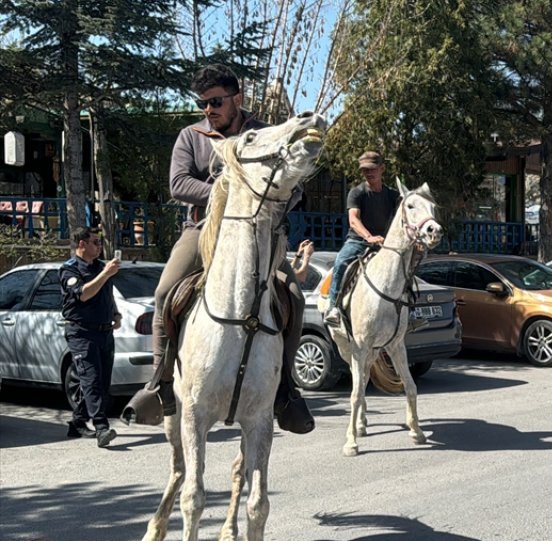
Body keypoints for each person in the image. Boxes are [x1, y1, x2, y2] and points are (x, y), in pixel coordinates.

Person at [121, 64, 313, 434]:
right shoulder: (190, 136)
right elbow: (178, 184)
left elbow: (296, 186)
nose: (208, 110)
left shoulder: (264, 134)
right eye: (203, 103)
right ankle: (159, 384)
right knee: (163, 293)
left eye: (215, 102)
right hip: (204, 227)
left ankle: (286, 389)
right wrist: (230, 194)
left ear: (236, 99)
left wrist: (269, 203)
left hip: (260, 232)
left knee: (294, 295)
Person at [59, 227, 121, 448]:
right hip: (82, 333)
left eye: (100, 242)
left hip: (104, 331)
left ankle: (77, 423)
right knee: (91, 379)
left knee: (102, 383)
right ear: (82, 244)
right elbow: (83, 294)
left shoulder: (101, 267)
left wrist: (115, 313)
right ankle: (102, 428)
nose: (99, 246)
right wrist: (105, 274)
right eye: (95, 242)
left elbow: (107, 293)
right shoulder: (70, 270)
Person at [325, 151, 400, 325]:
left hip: (384, 243)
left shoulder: (393, 196)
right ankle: (333, 307)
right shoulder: (357, 192)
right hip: (358, 241)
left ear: (382, 169)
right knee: (341, 262)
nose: (368, 173)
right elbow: (353, 220)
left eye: (372, 169)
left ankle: (408, 311)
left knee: (403, 267)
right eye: (364, 170)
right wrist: (369, 237)